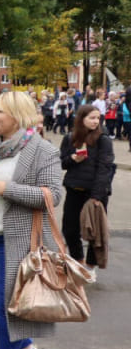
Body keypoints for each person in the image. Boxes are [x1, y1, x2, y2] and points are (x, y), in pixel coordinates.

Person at [0, 91, 62, 349]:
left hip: (20, 240)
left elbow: (53, 195)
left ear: (16, 115)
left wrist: (7, 189)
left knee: (5, 304)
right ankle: (25, 348)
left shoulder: (41, 150)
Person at [60, 104, 114, 270]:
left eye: (98, 118)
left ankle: (90, 267)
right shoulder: (70, 138)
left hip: (94, 194)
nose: (95, 121)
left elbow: (105, 168)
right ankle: (78, 261)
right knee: (69, 230)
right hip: (74, 189)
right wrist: (73, 159)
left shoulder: (103, 140)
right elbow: (62, 163)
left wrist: (97, 196)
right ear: (81, 118)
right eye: (91, 118)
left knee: (94, 233)